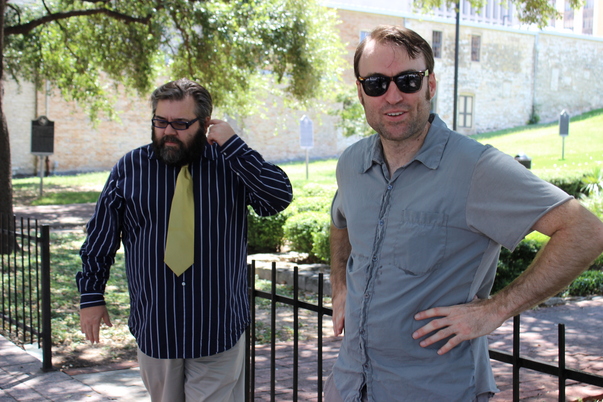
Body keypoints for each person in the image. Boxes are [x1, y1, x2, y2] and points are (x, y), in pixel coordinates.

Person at [326, 25, 603, 402]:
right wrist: (340, 285)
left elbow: (585, 231)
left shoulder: (476, 168)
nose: (393, 96)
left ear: (430, 85)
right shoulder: (352, 164)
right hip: (348, 384)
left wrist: (495, 310)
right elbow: (340, 222)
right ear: (361, 92)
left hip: (434, 390)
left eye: (408, 81)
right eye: (376, 83)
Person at [76, 78, 293, 401]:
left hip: (217, 328)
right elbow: (100, 238)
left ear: (204, 124)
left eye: (180, 123)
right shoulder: (130, 168)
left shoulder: (230, 163)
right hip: (157, 327)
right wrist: (91, 296)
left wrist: (235, 147)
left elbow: (277, 198)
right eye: (160, 121)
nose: (168, 131)